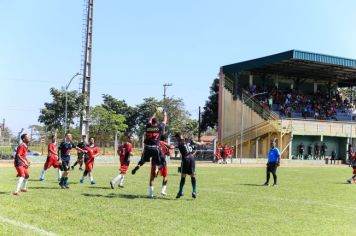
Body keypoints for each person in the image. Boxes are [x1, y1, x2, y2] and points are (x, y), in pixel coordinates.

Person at [131, 110, 167, 175]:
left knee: (142, 161)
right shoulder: (160, 127)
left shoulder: (148, 126)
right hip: (155, 148)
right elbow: (165, 121)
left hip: (147, 147)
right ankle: (157, 168)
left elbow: (149, 120)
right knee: (162, 162)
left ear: (152, 122)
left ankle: (138, 166)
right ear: (157, 122)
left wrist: (155, 112)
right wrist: (164, 113)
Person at [175, 132, 200, 199]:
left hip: (185, 159)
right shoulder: (188, 139)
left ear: (177, 137)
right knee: (192, 175)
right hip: (192, 158)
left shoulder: (179, 143)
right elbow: (195, 144)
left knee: (183, 176)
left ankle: (180, 191)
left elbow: (180, 151)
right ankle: (194, 191)